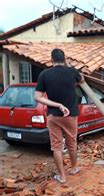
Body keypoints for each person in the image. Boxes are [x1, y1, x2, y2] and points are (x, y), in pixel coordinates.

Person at [34, 48, 84, 183]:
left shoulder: (44, 74)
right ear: (64, 59)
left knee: (56, 146)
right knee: (72, 143)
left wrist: (56, 104)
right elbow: (82, 80)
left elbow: (37, 97)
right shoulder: (72, 72)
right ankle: (74, 168)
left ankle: (62, 177)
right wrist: (68, 66)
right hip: (71, 115)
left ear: (51, 60)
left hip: (53, 115)